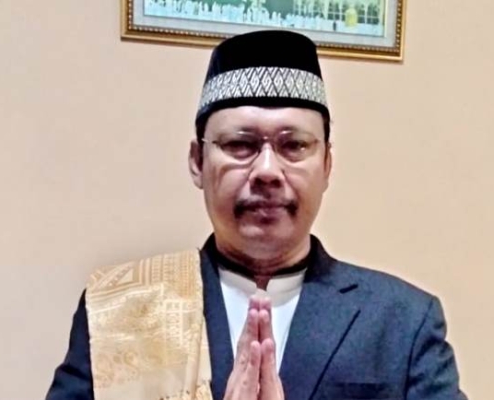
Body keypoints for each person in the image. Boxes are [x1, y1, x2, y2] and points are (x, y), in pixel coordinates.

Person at [45, 29, 468, 400]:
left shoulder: (402, 321)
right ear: (197, 161)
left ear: (327, 165)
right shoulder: (124, 307)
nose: (267, 171)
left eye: (293, 146)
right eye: (240, 145)